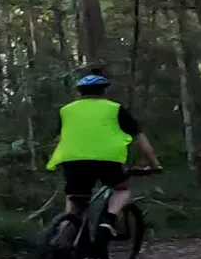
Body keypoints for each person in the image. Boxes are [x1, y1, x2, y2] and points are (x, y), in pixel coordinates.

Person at [46, 73, 161, 239]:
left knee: (74, 203)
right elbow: (139, 138)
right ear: (103, 92)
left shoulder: (66, 110)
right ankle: (108, 219)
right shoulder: (114, 108)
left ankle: (61, 245)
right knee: (121, 189)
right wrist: (154, 164)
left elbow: (58, 138)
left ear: (80, 93)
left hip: (72, 160)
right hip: (107, 159)